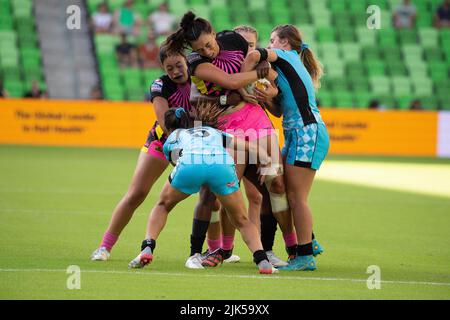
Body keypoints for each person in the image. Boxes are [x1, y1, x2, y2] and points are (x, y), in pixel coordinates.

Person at [164, 12, 297, 269]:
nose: (207, 51)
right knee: (227, 188)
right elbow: (232, 81)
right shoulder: (196, 64)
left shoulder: (234, 42)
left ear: (215, 34)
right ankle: (224, 250)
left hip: (257, 122)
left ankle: (291, 250)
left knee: (276, 183)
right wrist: (259, 73)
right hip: (228, 128)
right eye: (200, 49)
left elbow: (269, 80)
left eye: (209, 44)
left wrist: (269, 81)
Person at [129, 105, 278, 274]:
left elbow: (178, 165)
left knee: (163, 205)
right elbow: (247, 146)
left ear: (170, 128)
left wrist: (198, 177)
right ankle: (262, 261)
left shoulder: (172, 138)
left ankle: (147, 248)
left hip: (191, 164)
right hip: (222, 165)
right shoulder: (211, 131)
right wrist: (265, 159)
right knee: (242, 220)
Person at [91, 44, 192, 261]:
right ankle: (104, 247)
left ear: (187, 60)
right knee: (136, 194)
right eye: (169, 68)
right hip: (162, 142)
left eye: (178, 65)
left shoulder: (201, 78)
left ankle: (219, 250)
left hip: (193, 145)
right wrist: (180, 147)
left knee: (213, 194)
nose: (175, 71)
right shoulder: (160, 85)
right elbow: (164, 120)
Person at [241, 24, 329, 271]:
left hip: (307, 133)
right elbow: (279, 111)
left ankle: (304, 255)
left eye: (272, 40)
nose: (269, 45)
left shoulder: (286, 56)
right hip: (296, 133)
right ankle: (308, 241)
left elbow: (257, 54)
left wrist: (242, 78)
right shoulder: (285, 69)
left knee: (296, 197)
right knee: (282, 187)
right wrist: (267, 97)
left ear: (285, 43)